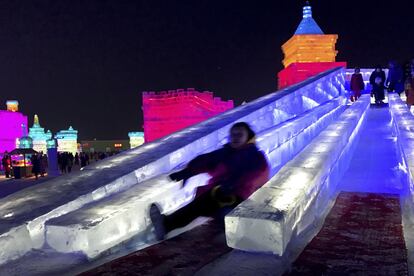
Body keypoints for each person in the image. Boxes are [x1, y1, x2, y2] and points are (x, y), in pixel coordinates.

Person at [149, 122, 270, 240]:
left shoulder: (255, 156)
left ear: (248, 137)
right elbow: (206, 160)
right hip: (222, 196)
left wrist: (234, 184)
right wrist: (187, 172)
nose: (235, 137)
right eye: (233, 134)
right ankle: (166, 226)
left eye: (240, 134)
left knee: (208, 201)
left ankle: (167, 225)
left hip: (242, 200)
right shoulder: (225, 153)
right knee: (204, 202)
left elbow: (258, 174)